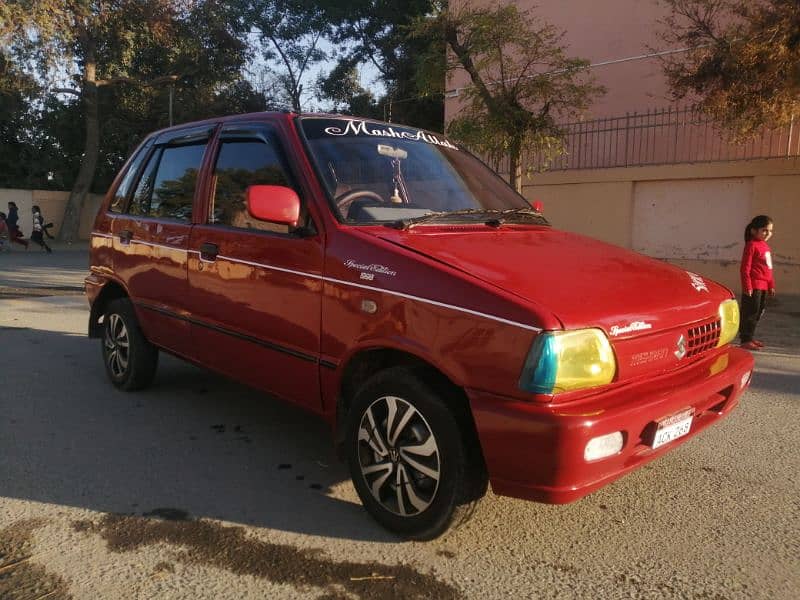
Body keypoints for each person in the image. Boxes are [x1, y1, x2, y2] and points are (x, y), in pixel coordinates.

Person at [739, 215, 775, 350]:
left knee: (759, 312)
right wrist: (747, 285)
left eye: (770, 231)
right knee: (750, 312)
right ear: (754, 231)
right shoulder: (751, 245)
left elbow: (769, 268)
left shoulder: (765, 247)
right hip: (753, 286)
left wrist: (771, 285)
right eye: (764, 230)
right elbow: (745, 268)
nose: (768, 233)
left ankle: (750, 337)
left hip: (764, 287)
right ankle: (745, 339)